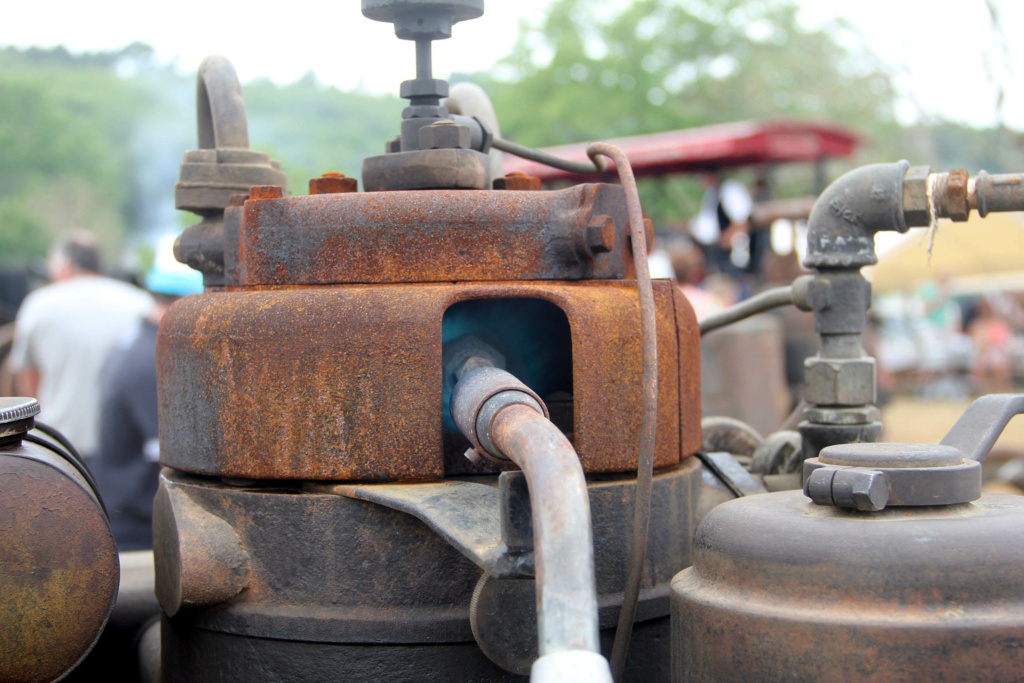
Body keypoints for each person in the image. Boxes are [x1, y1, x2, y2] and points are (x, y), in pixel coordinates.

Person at [8, 230, 153, 459]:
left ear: (64, 264)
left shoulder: (39, 305)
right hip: (129, 450)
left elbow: (28, 378)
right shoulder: (140, 302)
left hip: (62, 447)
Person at [96, 243, 203, 551]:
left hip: (134, 518)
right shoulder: (153, 361)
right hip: (139, 531)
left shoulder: (136, 345)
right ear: (186, 302)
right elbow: (171, 454)